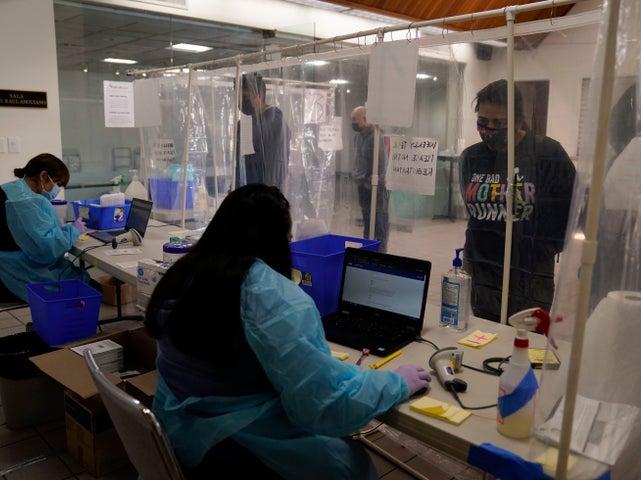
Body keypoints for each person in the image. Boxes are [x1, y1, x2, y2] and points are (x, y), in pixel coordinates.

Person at [144, 183, 431, 479]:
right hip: (240, 453)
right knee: (349, 465)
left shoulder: (186, 274)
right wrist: (396, 383)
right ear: (278, 240)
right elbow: (324, 404)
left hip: (180, 438)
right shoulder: (273, 297)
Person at [458, 80, 576, 322]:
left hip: (529, 274)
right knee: (485, 339)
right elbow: (473, 210)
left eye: (499, 123)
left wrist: (543, 247)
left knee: (524, 344)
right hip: (482, 271)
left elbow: (571, 209)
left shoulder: (546, 154)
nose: (489, 130)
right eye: (483, 122)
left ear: (519, 120)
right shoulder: (472, 157)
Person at [0, 153, 94, 303]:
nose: (57, 189)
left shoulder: (8, 190)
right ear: (44, 176)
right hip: (14, 279)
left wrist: (65, 230)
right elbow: (47, 249)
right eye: (57, 183)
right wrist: (73, 230)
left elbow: (29, 235)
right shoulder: (28, 202)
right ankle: (62, 325)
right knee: (87, 284)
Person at [236, 73, 291, 190]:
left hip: (265, 188)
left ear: (260, 95)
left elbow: (275, 162)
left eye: (245, 97)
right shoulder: (247, 122)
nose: (241, 102)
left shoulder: (274, 121)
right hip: (248, 187)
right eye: (238, 98)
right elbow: (242, 160)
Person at [351, 105, 390, 252]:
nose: (353, 123)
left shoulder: (376, 137)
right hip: (363, 185)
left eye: (355, 120)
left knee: (379, 223)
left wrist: (373, 183)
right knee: (367, 222)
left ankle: (380, 254)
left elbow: (382, 164)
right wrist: (358, 178)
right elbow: (358, 161)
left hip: (375, 188)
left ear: (365, 119)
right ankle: (368, 252)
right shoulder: (358, 137)